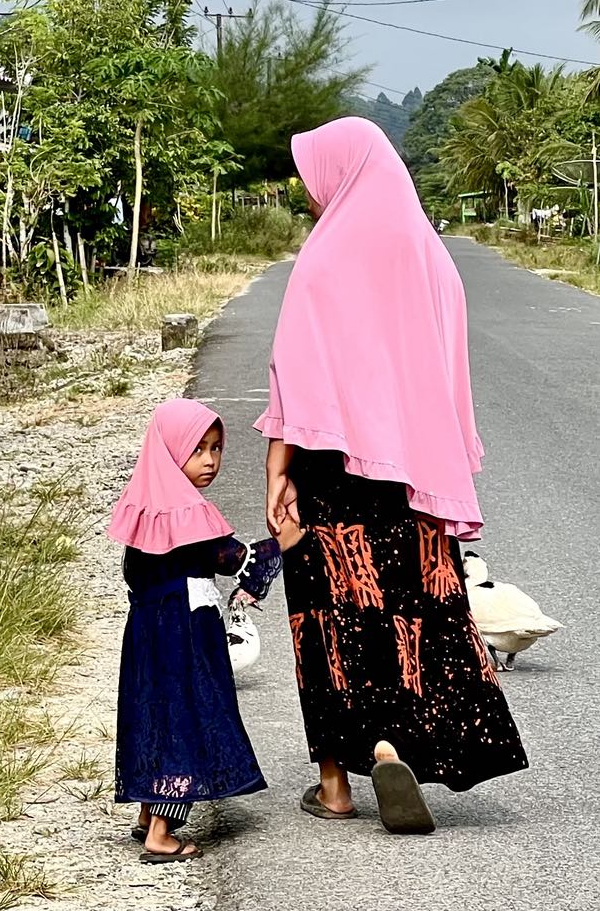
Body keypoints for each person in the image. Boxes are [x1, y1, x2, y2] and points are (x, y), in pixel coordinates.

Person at [255, 116, 528, 833]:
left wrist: (276, 469)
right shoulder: (431, 258)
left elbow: (296, 377)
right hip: (411, 475)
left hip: (331, 469)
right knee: (408, 615)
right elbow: (443, 376)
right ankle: (393, 742)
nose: (314, 197)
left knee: (329, 612)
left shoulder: (322, 259)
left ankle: (337, 783)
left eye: (317, 180)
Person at [109, 398, 303, 863]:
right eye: (198, 450)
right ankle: (161, 832)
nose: (211, 461)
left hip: (146, 634)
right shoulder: (190, 514)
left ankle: (146, 812)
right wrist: (282, 542)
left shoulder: (144, 508)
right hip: (186, 635)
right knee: (188, 716)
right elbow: (239, 561)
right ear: (171, 451)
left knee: (154, 713)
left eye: (216, 449)